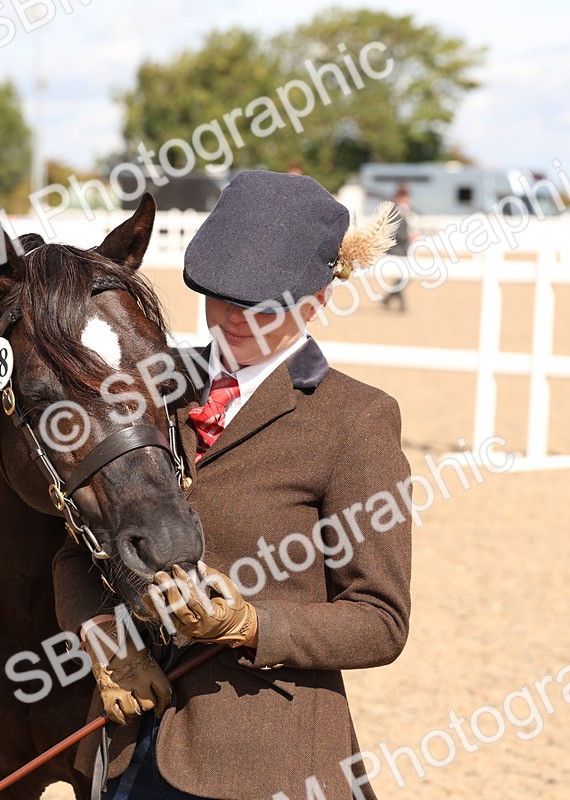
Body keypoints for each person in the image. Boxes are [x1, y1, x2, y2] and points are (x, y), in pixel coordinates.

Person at [53, 170, 413, 800]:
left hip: (268, 764)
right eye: (220, 296)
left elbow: (381, 621)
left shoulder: (356, 420)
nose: (234, 319)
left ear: (318, 300)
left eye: (262, 305)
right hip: (126, 746)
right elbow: (74, 549)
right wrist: (105, 640)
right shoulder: (147, 383)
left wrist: (251, 625)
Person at [382, 185, 415, 313]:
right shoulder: (395, 211)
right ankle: (400, 304)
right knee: (404, 277)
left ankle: (388, 299)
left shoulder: (404, 210)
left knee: (403, 277)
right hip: (397, 249)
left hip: (402, 249)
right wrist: (408, 237)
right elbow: (394, 232)